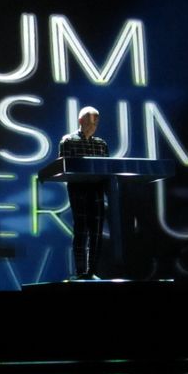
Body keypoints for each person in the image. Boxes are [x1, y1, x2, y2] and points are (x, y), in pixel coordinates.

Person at [59, 106, 110, 280]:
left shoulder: (101, 144)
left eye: (95, 123)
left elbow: (107, 169)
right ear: (81, 121)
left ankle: (92, 271)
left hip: (97, 191)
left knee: (96, 231)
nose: (92, 127)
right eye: (89, 123)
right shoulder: (68, 141)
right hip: (78, 190)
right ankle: (81, 271)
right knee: (81, 229)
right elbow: (65, 167)